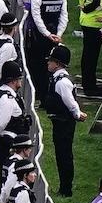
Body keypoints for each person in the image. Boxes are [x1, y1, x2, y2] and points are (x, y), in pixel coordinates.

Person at [42, 46, 85, 195]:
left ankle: (66, 189)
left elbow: (70, 102)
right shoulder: (57, 79)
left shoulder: (61, 82)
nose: (48, 63)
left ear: (58, 64)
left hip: (64, 123)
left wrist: (77, 114)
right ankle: (64, 186)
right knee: (61, 155)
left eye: (51, 61)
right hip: (60, 122)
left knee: (64, 155)